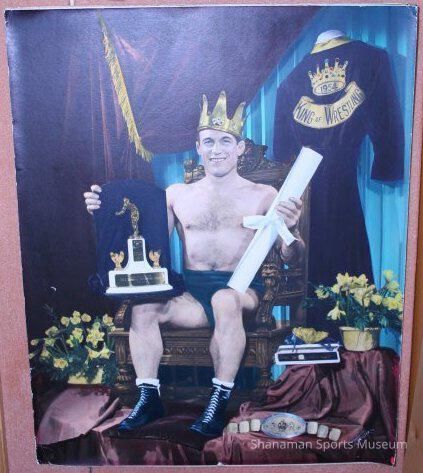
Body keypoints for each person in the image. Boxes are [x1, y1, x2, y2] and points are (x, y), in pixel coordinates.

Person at [84, 91, 304, 437]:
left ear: (240, 147)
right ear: (198, 147)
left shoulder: (265, 194)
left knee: (225, 299)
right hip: (193, 295)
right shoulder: (176, 194)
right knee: (144, 307)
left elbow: (292, 255)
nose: (217, 149)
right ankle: (148, 398)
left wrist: (290, 229)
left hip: (242, 291)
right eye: (209, 142)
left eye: (225, 141)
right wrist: (102, 208)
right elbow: (139, 231)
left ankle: (218, 400)